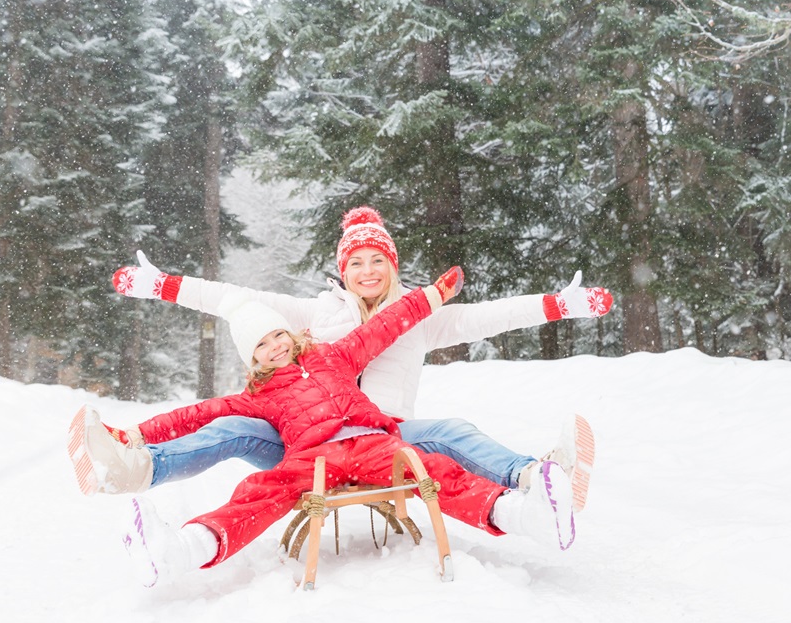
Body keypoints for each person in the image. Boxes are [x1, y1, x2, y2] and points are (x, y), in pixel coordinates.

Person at [77, 206, 611, 512]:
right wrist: (163, 285)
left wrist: (557, 304)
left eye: (379, 259)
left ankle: (538, 480)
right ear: (343, 270)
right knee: (234, 423)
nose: (369, 270)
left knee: (454, 429)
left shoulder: (415, 316)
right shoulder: (313, 314)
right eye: (357, 262)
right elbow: (230, 297)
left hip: (385, 438)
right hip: (305, 445)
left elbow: (485, 318)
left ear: (393, 265)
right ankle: (136, 466)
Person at [102, 267, 576, 588]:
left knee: (435, 471)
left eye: (276, 336)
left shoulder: (336, 355)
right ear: (252, 359)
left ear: (289, 334)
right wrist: (136, 433)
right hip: (312, 459)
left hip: (373, 441)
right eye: (260, 346)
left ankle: (526, 516)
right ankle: (182, 549)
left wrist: (432, 294)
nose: (273, 347)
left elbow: (388, 325)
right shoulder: (257, 396)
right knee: (259, 490)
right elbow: (197, 414)